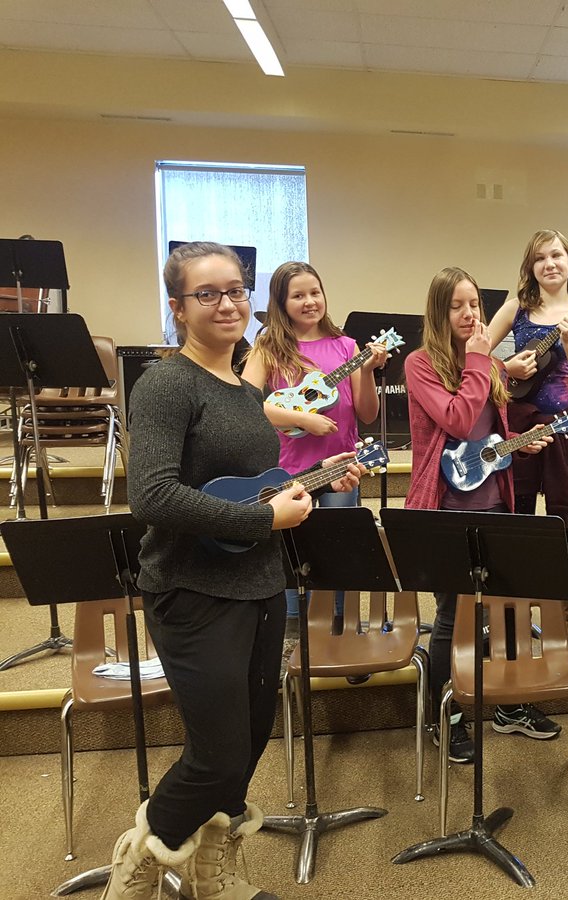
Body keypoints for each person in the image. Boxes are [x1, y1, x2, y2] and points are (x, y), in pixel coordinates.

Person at [109, 241, 363, 900]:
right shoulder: (167, 382)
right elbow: (153, 496)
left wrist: (319, 477)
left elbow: (252, 485)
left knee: (248, 744)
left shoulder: (241, 389)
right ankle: (141, 857)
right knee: (216, 751)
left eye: (235, 290)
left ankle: (208, 869)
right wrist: (265, 520)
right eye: (208, 293)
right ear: (177, 307)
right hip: (191, 591)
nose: (227, 303)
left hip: (257, 585)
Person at [405, 266, 561, 763]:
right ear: (438, 312)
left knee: (503, 606)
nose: (470, 313)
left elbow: (489, 433)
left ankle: (508, 707)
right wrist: (479, 360)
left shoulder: (487, 366)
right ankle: (445, 714)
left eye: (475, 304)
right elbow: (456, 418)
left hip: (494, 500)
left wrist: (522, 445)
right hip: (445, 507)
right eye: (458, 305)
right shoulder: (420, 364)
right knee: (453, 614)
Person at [242, 261, 388, 636]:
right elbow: (244, 403)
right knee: (293, 548)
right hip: (289, 469)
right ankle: (293, 630)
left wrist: (369, 370)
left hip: (342, 468)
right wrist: (304, 419)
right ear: (281, 302)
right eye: (298, 295)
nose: (310, 301)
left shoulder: (346, 346)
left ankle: (339, 625)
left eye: (315, 292)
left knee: (337, 546)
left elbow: (368, 415)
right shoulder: (269, 346)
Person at [489, 228, 568, 651]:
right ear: (530, 266)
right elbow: (478, 356)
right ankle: (510, 606)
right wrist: (506, 370)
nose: (549, 264)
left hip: (567, 427)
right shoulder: (517, 307)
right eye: (540, 258)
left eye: (557, 255)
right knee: (515, 514)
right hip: (520, 426)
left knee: (565, 518)